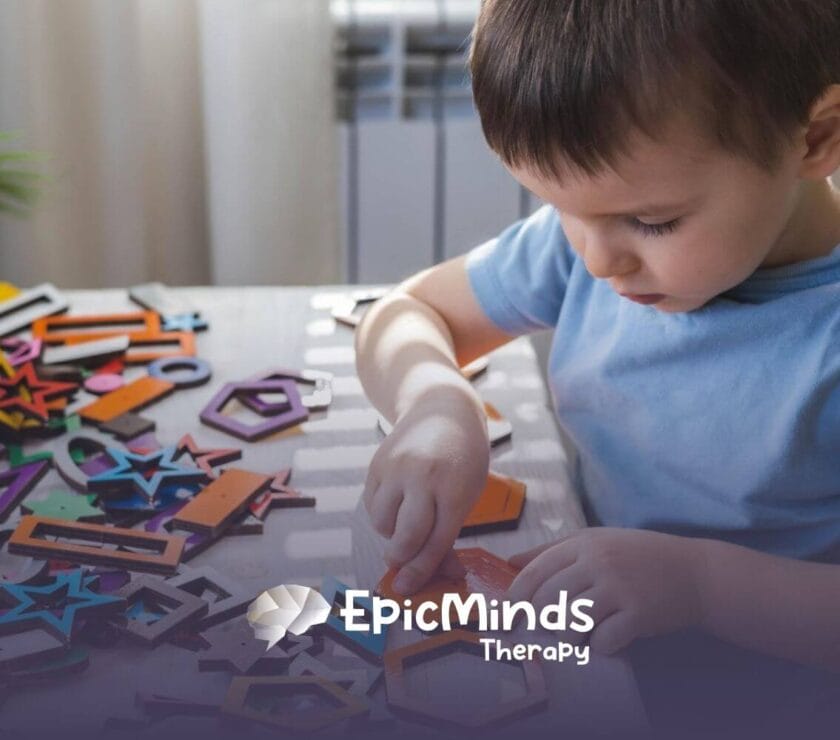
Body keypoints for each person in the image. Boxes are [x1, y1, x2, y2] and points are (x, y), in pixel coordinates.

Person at [355, 0, 840, 682]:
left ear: (816, 138)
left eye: (652, 221)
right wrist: (436, 403)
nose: (596, 260)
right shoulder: (584, 240)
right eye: (560, 209)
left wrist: (702, 586)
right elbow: (405, 312)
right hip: (602, 670)